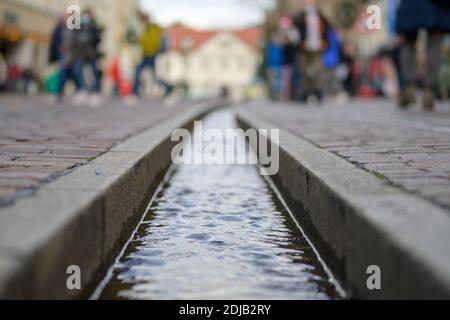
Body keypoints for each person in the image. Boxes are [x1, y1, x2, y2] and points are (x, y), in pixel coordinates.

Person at [396, 0, 450, 111]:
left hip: (411, 4)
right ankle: (429, 91)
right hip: (437, 6)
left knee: (408, 42)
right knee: (435, 44)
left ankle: (408, 86)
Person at [128, 12, 172, 105]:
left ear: (147, 20)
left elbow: (154, 43)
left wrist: (145, 45)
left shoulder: (154, 29)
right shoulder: (145, 30)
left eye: (144, 21)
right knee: (138, 71)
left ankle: (168, 89)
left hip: (153, 55)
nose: (143, 23)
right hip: (145, 55)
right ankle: (135, 93)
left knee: (156, 75)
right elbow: (142, 42)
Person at [293, 0, 330, 103]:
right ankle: (306, 93)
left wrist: (325, 41)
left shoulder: (321, 16)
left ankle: (317, 92)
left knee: (318, 70)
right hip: (304, 47)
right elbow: (294, 26)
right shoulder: (301, 16)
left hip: (318, 47)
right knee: (304, 71)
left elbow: (327, 28)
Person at [75, 9, 103, 107]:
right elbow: (75, 37)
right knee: (78, 70)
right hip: (81, 53)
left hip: (92, 53)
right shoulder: (79, 26)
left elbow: (98, 38)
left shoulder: (94, 26)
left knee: (94, 72)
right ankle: (82, 90)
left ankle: (96, 93)